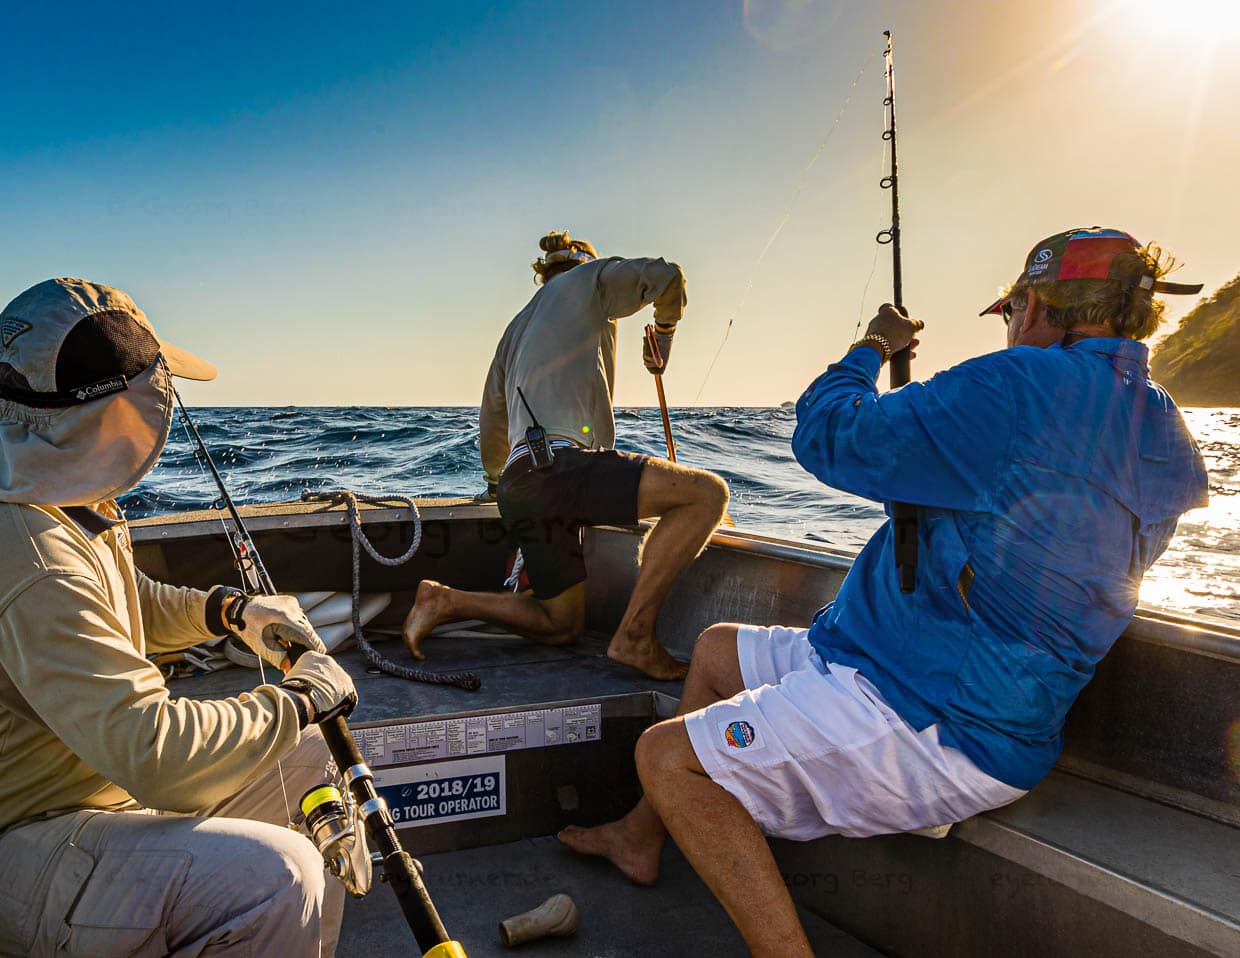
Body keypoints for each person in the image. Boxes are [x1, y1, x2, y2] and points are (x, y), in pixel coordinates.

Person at [557, 227, 1209, 956]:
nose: (1010, 328)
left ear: (1041, 305)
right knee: (714, 650)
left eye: (1012, 309)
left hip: (932, 718)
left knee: (666, 757)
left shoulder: (1017, 385)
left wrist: (874, 343)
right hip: (953, 685)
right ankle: (638, 839)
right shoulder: (1161, 422)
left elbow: (828, 434)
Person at [0, 278, 359, 957]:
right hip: (27, 840)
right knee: (278, 879)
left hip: (98, 801)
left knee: (313, 753)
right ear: (120, 415)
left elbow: (122, 600)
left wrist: (226, 612)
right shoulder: (32, 558)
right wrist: (301, 697)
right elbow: (154, 752)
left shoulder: (58, 494)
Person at [402, 230, 729, 680]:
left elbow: (492, 424)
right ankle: (635, 637)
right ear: (586, 264)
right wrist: (665, 334)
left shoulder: (515, 329)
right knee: (707, 495)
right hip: (561, 470)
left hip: (518, 484)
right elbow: (667, 278)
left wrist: (501, 490)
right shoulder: (589, 280)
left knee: (562, 624)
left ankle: (445, 599)